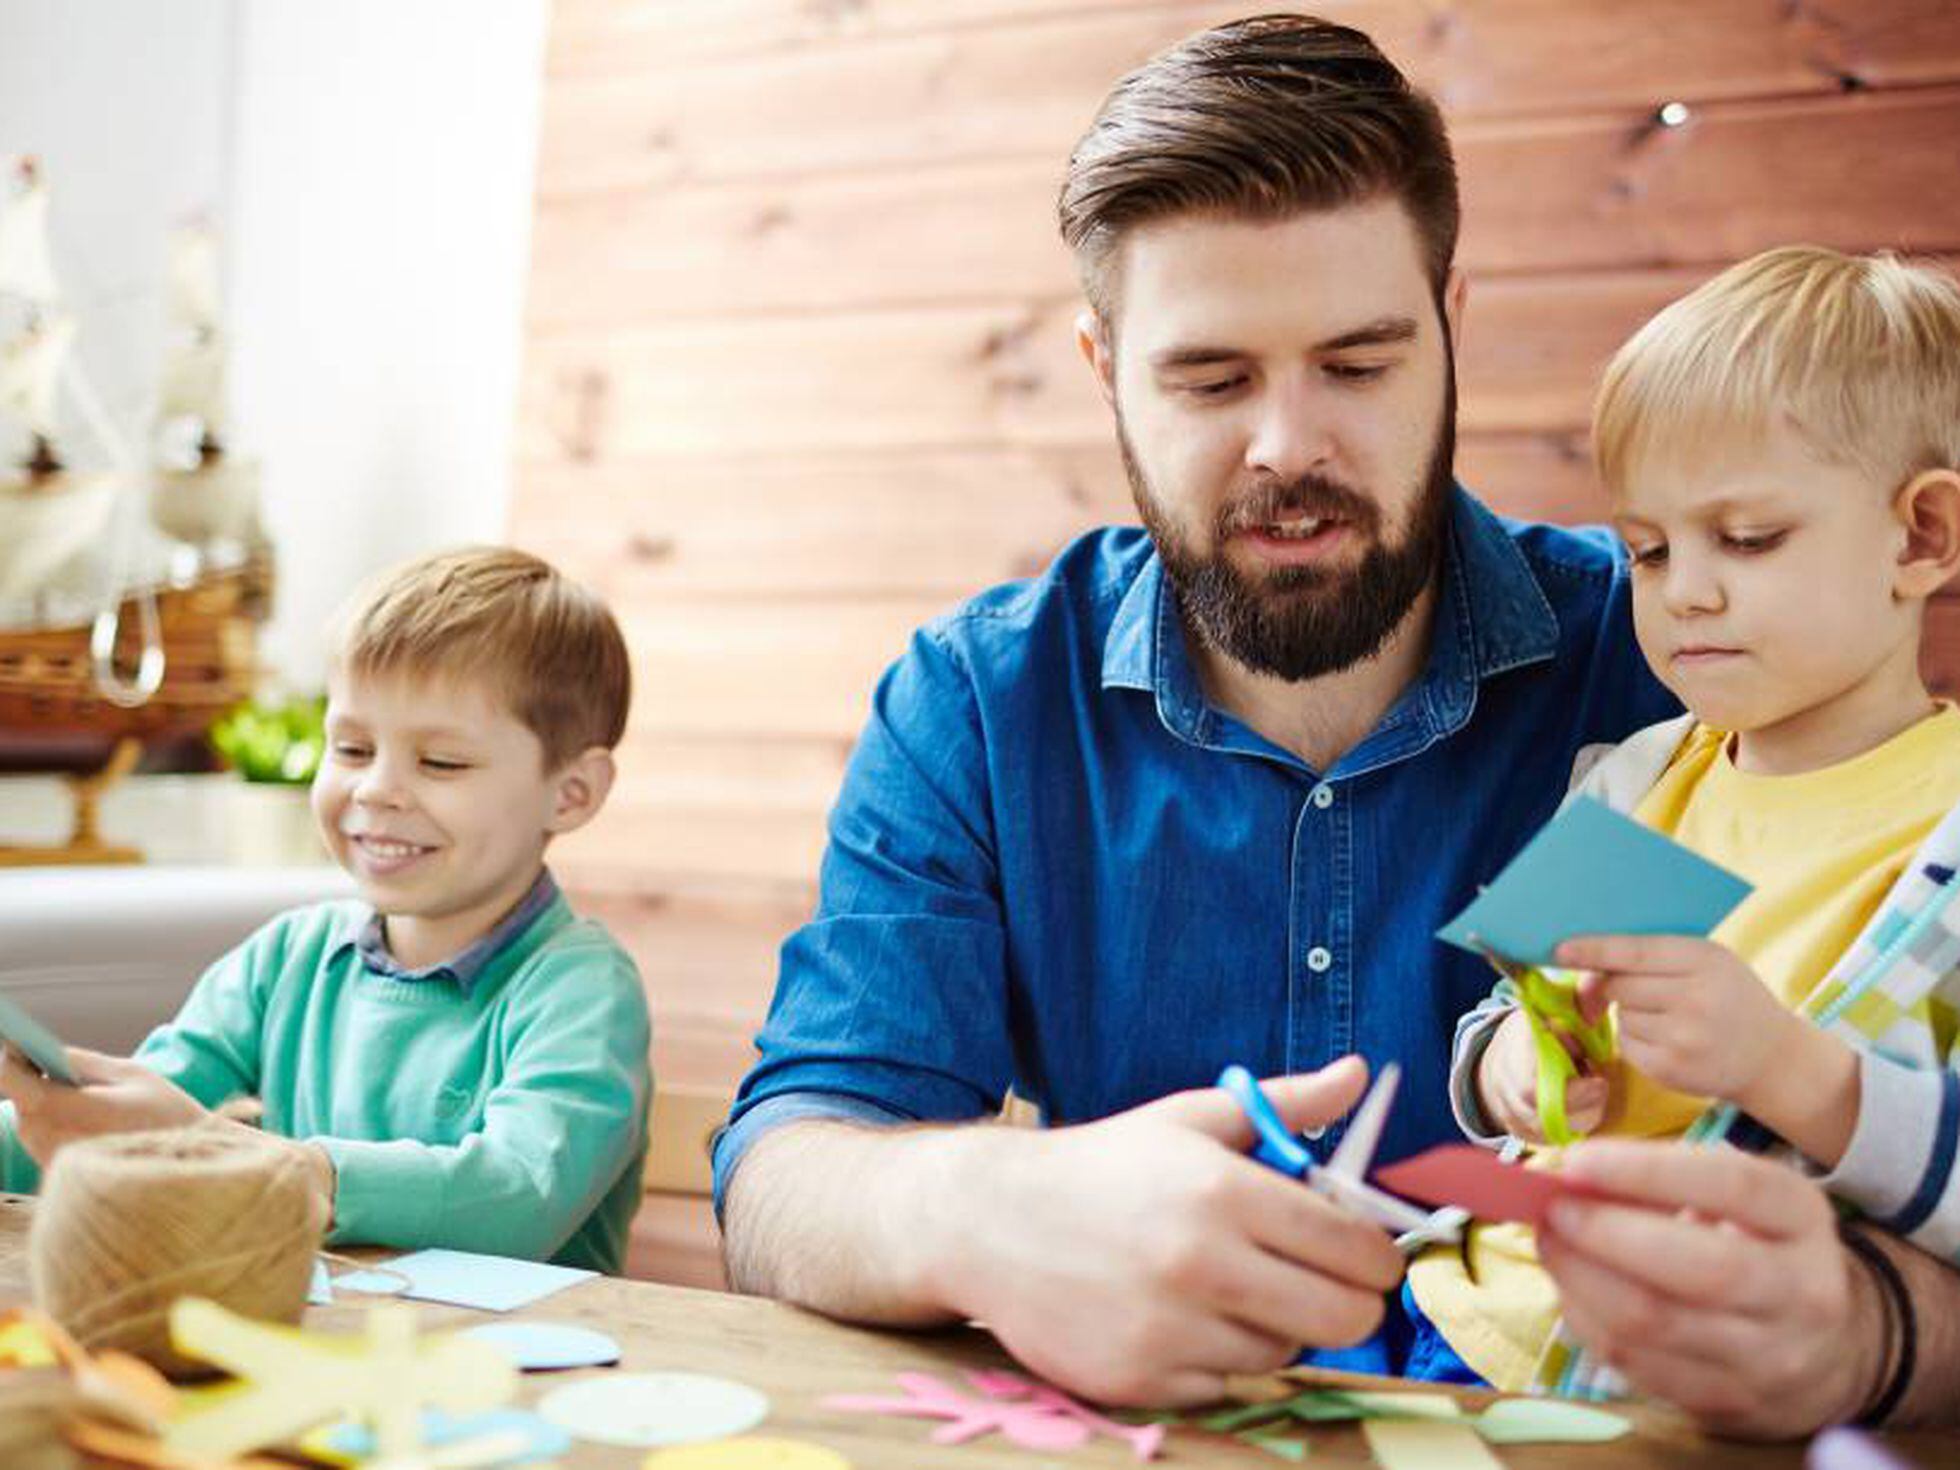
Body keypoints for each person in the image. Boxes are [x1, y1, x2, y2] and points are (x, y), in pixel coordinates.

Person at [715, 13, 1960, 1436]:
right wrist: (991, 1202)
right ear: (1103, 362)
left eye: (1360, 364)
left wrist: (1871, 1332)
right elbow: (782, 1177)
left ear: (1449, 327)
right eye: (1211, 379)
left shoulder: (1704, 658)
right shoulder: (978, 701)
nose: (1288, 446)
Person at [1405, 246, 1960, 1404]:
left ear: (1921, 538)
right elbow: (1516, 1007)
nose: (1684, 593)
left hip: (1718, 1389)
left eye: (1747, 539)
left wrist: (1786, 1069)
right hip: (1461, 1323)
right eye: (1647, 550)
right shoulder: (1638, 779)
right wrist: (1516, 1065)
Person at [0, 546, 652, 1272]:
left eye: (440, 762)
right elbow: (133, 1114)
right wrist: (53, 1112)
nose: (376, 789)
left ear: (571, 793)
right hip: (312, 1340)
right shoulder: (286, 959)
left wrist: (275, 1167)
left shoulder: (582, 988)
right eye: (350, 747)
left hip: (523, 1367)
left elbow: (521, 1195)